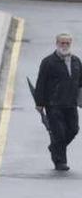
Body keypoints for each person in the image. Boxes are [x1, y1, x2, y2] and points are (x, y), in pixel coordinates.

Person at [34, 33, 82, 171]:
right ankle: (60, 162)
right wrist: (39, 102)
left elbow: (80, 83)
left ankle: (54, 147)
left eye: (67, 43)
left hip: (71, 104)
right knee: (59, 133)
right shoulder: (48, 62)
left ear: (71, 44)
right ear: (57, 43)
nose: (65, 45)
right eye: (62, 43)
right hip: (53, 104)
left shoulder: (76, 61)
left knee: (73, 130)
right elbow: (41, 82)